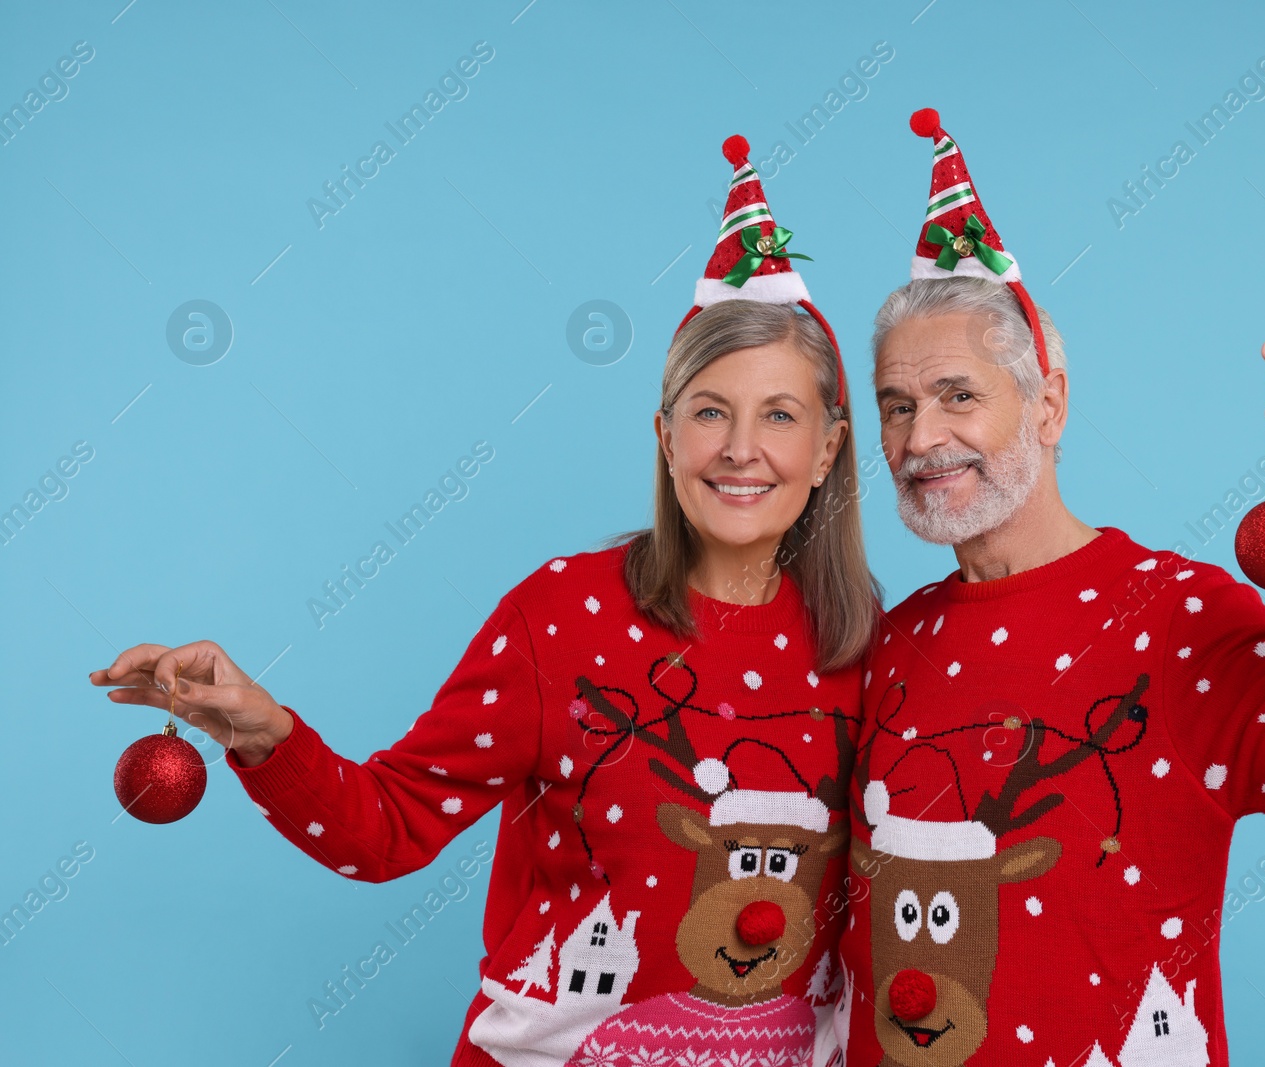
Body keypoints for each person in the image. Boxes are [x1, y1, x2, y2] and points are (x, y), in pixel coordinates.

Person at [90, 135, 879, 1067]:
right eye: (711, 411)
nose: (741, 448)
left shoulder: (870, 649)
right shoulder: (558, 619)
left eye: (779, 415)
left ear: (827, 449)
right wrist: (262, 731)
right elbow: (385, 828)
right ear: (666, 438)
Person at [835, 109, 1265, 1067]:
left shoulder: (1181, 620)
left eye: (959, 393)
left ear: (1048, 402)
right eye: (897, 405)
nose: (921, 440)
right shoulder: (884, 642)